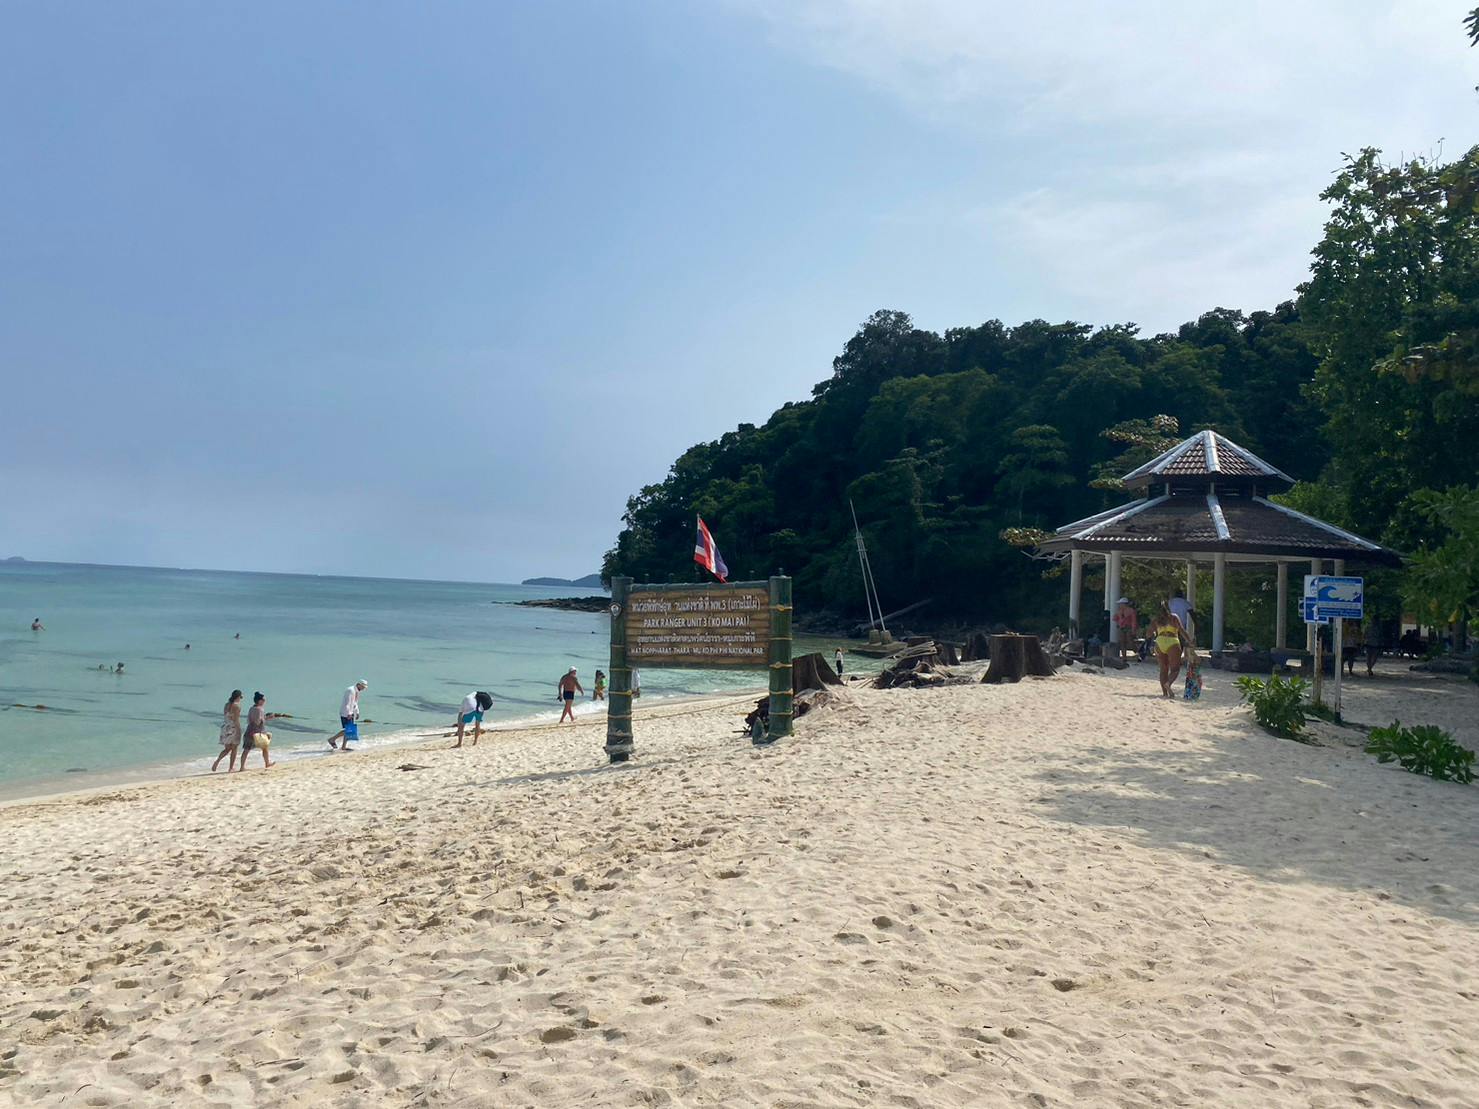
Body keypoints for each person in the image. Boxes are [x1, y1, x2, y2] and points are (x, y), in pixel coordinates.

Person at [1149, 603, 1187, 699]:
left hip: (1159, 641)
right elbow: (1181, 630)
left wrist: (1155, 632)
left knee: (1163, 669)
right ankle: (1168, 683)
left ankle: (1165, 693)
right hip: (1172, 641)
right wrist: (1190, 641)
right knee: (1175, 669)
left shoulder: (1155, 620)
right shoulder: (1173, 617)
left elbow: (1148, 634)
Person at [236, 692, 281, 771]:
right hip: (256, 733)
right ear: (260, 701)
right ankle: (266, 763)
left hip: (249, 731)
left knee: (247, 749)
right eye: (263, 699)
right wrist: (267, 718)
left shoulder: (252, 708)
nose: (264, 701)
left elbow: (250, 720)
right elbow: (258, 722)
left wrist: (264, 717)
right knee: (264, 747)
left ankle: (242, 767)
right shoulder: (259, 709)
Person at [328, 679, 368, 749]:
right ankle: (332, 739)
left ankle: (343, 746)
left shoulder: (357, 691)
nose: (363, 689)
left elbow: (355, 703)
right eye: (363, 687)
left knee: (349, 730)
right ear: (359, 684)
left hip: (351, 712)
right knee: (347, 729)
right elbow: (348, 703)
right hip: (345, 713)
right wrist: (349, 713)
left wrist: (357, 712)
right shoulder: (350, 690)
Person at [212, 690, 244, 772]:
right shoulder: (237, 706)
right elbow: (236, 720)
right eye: (240, 697)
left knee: (227, 749)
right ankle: (231, 768)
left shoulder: (226, 705)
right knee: (234, 748)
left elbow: (226, 716)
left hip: (225, 727)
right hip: (233, 728)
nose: (240, 699)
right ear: (238, 697)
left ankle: (217, 761)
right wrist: (239, 730)